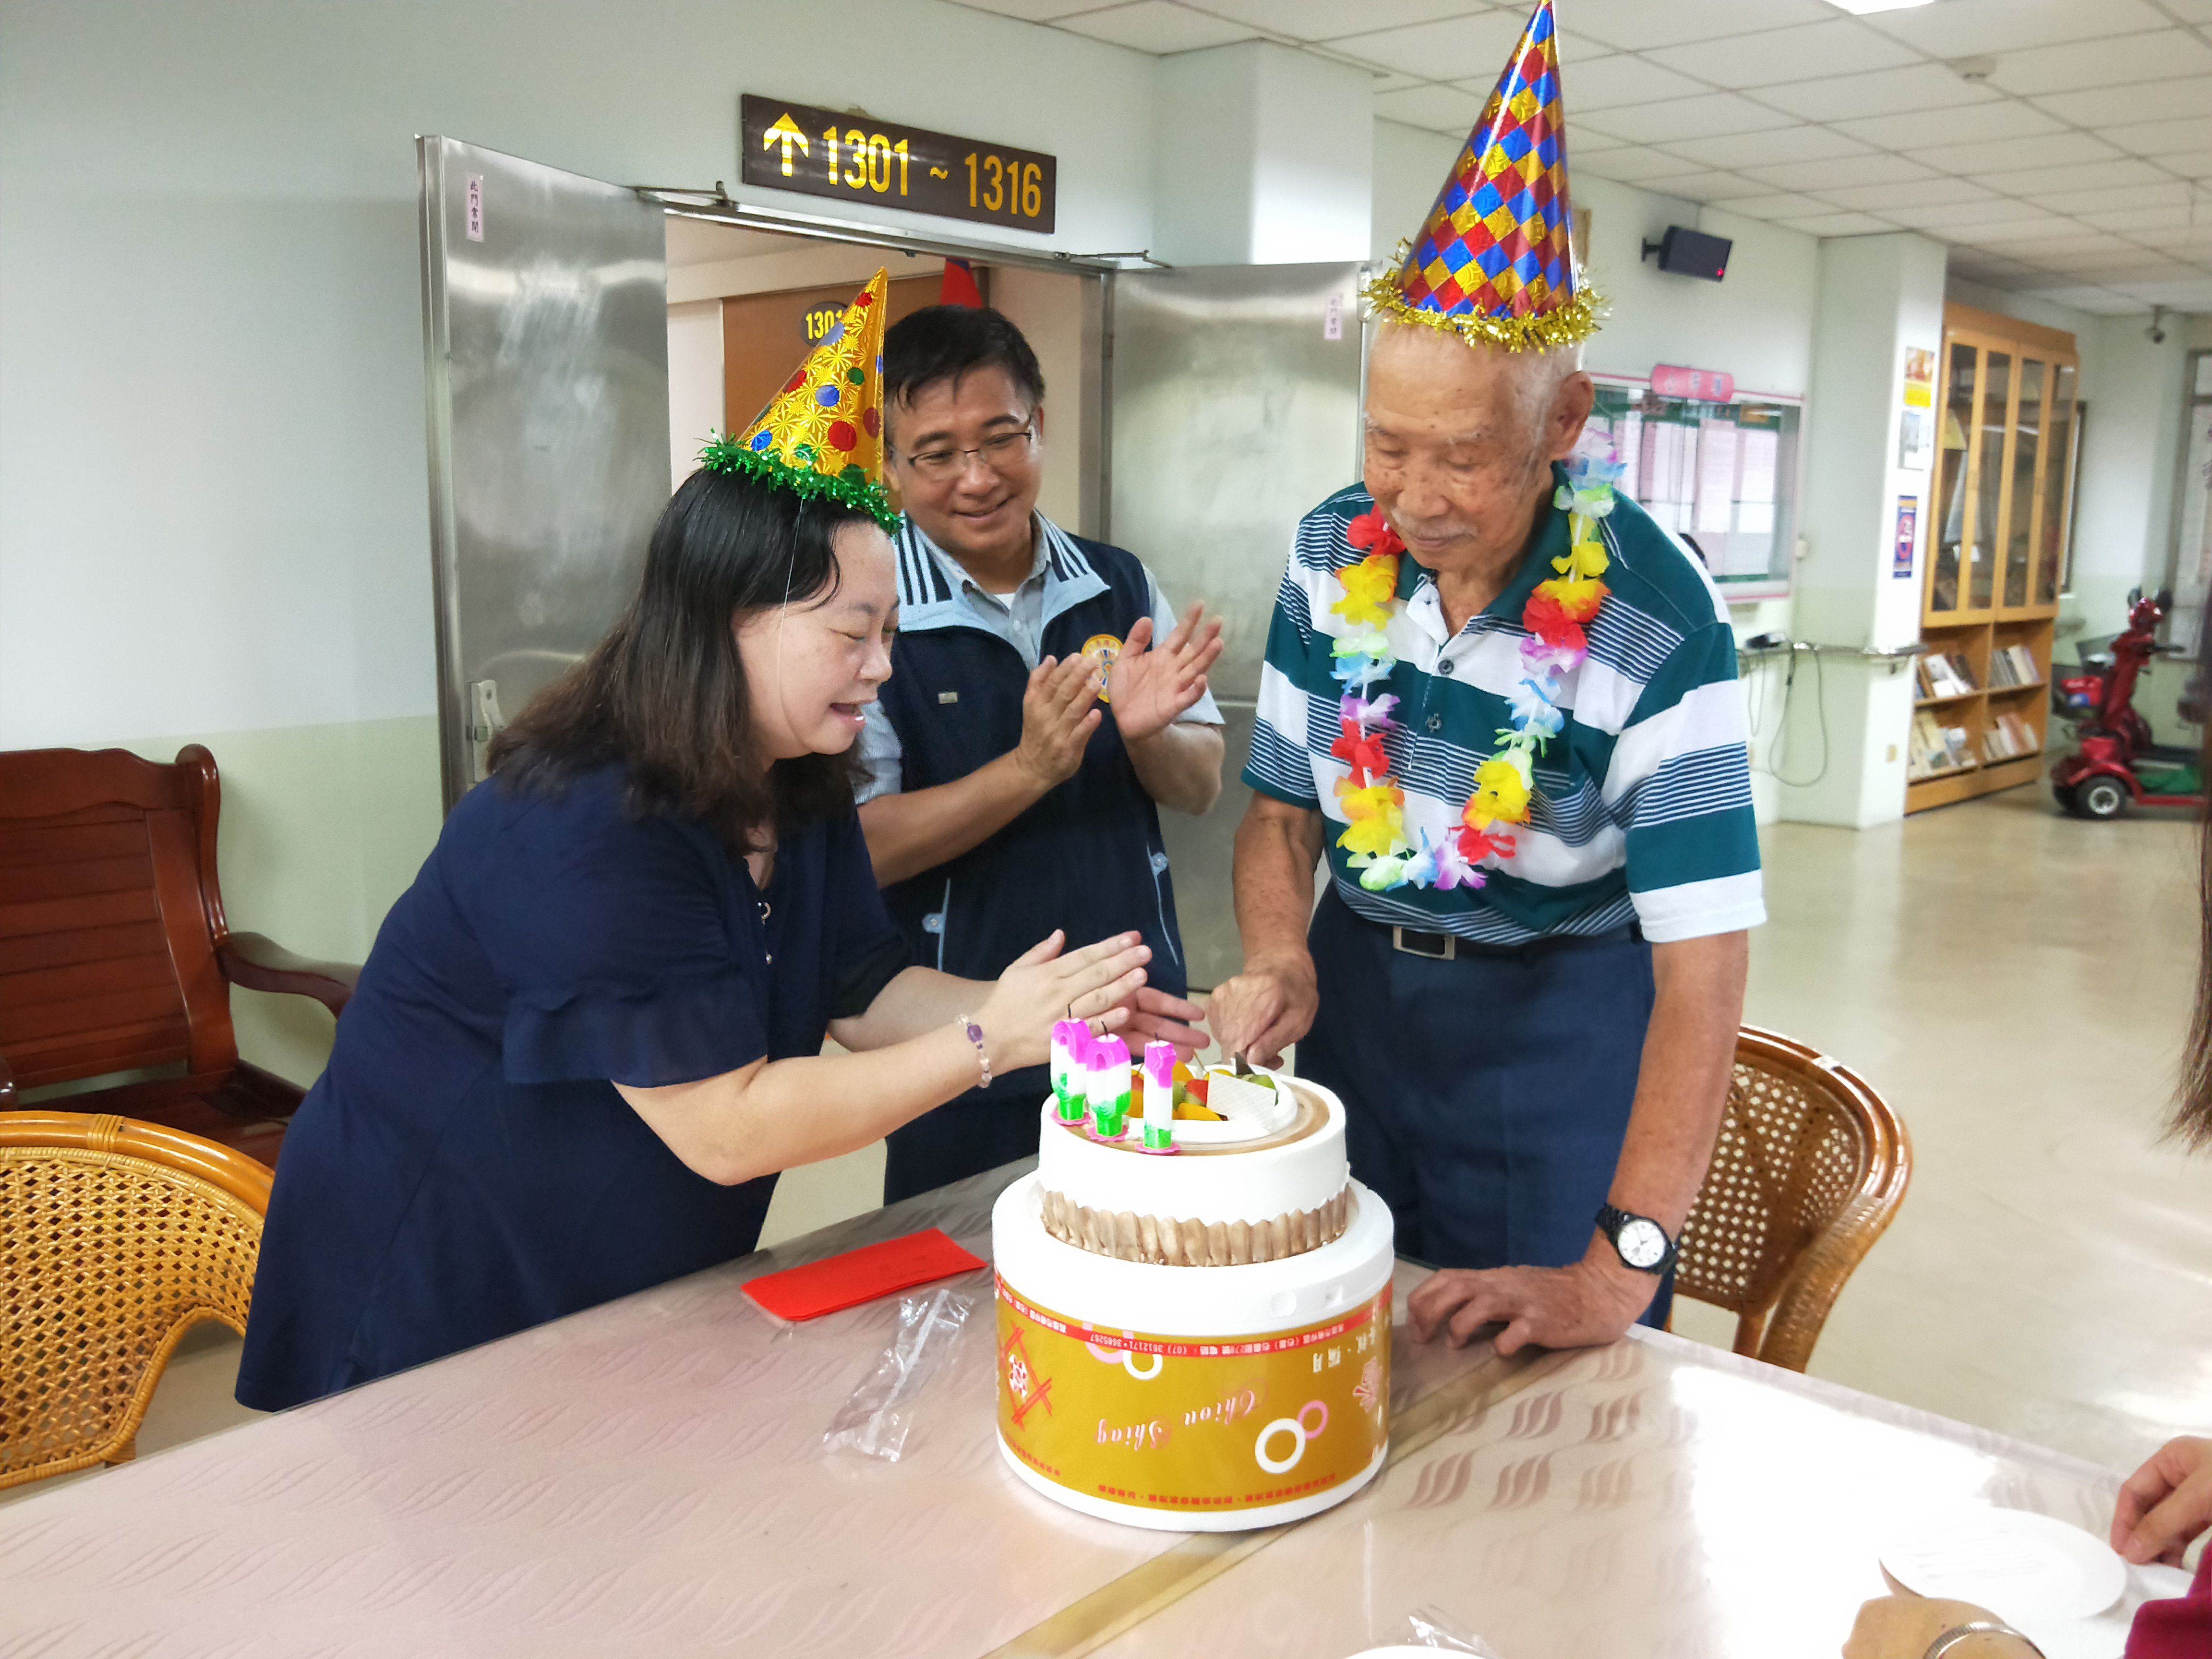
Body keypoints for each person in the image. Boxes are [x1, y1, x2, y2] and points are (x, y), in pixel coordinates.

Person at [236, 274, 1154, 1410]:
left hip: (627, 1264)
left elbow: (859, 985)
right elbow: (727, 1126)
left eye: (890, 633)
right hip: (445, 1269)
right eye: (854, 634)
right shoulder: (582, 817)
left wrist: (1048, 1012)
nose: (882, 667)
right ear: (729, 623)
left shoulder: (796, 779)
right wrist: (986, 1040)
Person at [1210, 0, 1761, 1354]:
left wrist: (1619, 1271)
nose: (1415, 498)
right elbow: (1282, 814)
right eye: (1389, 444)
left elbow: (1706, 971)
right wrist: (1280, 947)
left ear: (1564, 423)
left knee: (1548, 1394)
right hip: (1359, 1006)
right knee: (1342, 1341)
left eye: (1462, 455)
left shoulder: (1655, 617)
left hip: (1555, 1028)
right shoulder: (1334, 545)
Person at [855, 302, 1224, 1203]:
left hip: (1135, 1018)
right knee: (956, 1296)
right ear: (893, 464)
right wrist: (1026, 772)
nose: (976, 478)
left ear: (1040, 428)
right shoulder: (869, 607)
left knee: (1148, 1260)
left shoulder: (1119, 582)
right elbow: (858, 843)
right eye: (937, 453)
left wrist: (1148, 739)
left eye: (1000, 438)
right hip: (963, 1036)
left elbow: (1204, 783)